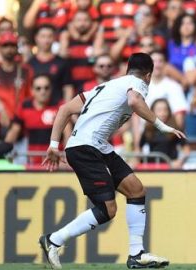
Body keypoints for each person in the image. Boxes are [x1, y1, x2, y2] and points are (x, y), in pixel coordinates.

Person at [39, 53, 185, 269]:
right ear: (148, 75)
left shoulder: (105, 87)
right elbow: (135, 101)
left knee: (136, 190)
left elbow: (64, 110)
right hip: (86, 147)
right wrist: (162, 126)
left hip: (95, 145)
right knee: (108, 209)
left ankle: (136, 254)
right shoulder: (138, 84)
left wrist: (53, 145)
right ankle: (53, 240)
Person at [3, 74, 62, 165]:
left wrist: (67, 157)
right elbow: (14, 130)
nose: (43, 91)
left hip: (55, 160)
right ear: (32, 90)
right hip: (31, 160)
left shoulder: (59, 106)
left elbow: (67, 133)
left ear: (51, 89)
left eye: (46, 88)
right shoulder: (24, 106)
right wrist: (2, 150)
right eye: (38, 88)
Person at [28, 24, 74, 104]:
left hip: (56, 108)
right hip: (34, 110)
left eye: (50, 36)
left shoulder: (62, 63)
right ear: (36, 38)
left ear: (54, 38)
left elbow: (68, 88)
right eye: (43, 36)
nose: (46, 40)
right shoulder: (29, 64)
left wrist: (67, 109)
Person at [140, 98, 189, 169]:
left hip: (170, 168)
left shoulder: (175, 129)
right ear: (152, 112)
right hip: (152, 167)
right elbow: (139, 148)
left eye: (165, 110)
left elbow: (186, 150)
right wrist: (138, 160)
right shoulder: (148, 129)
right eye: (159, 110)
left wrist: (179, 162)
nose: (162, 113)